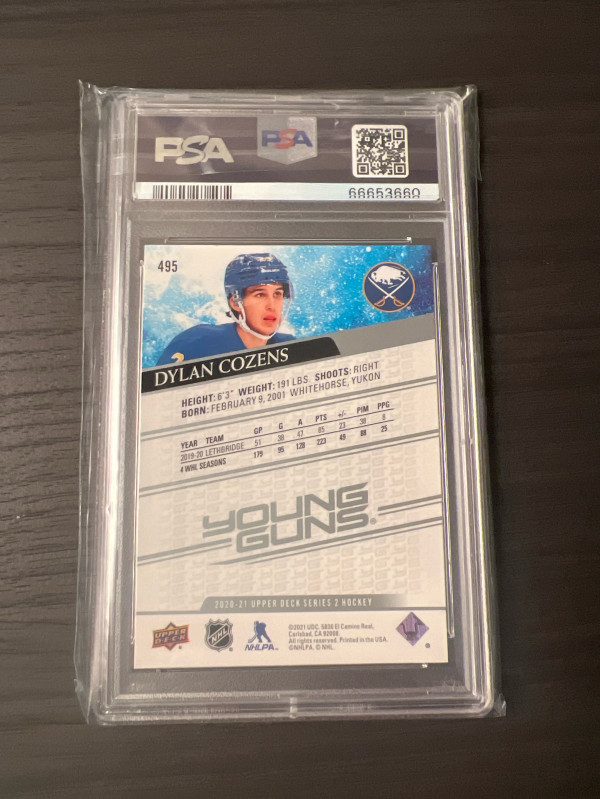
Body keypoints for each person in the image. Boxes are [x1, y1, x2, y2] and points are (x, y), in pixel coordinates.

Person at [156, 253, 295, 364]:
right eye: (260, 294)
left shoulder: (289, 346)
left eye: (277, 294)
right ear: (235, 302)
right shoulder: (196, 343)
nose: (272, 305)